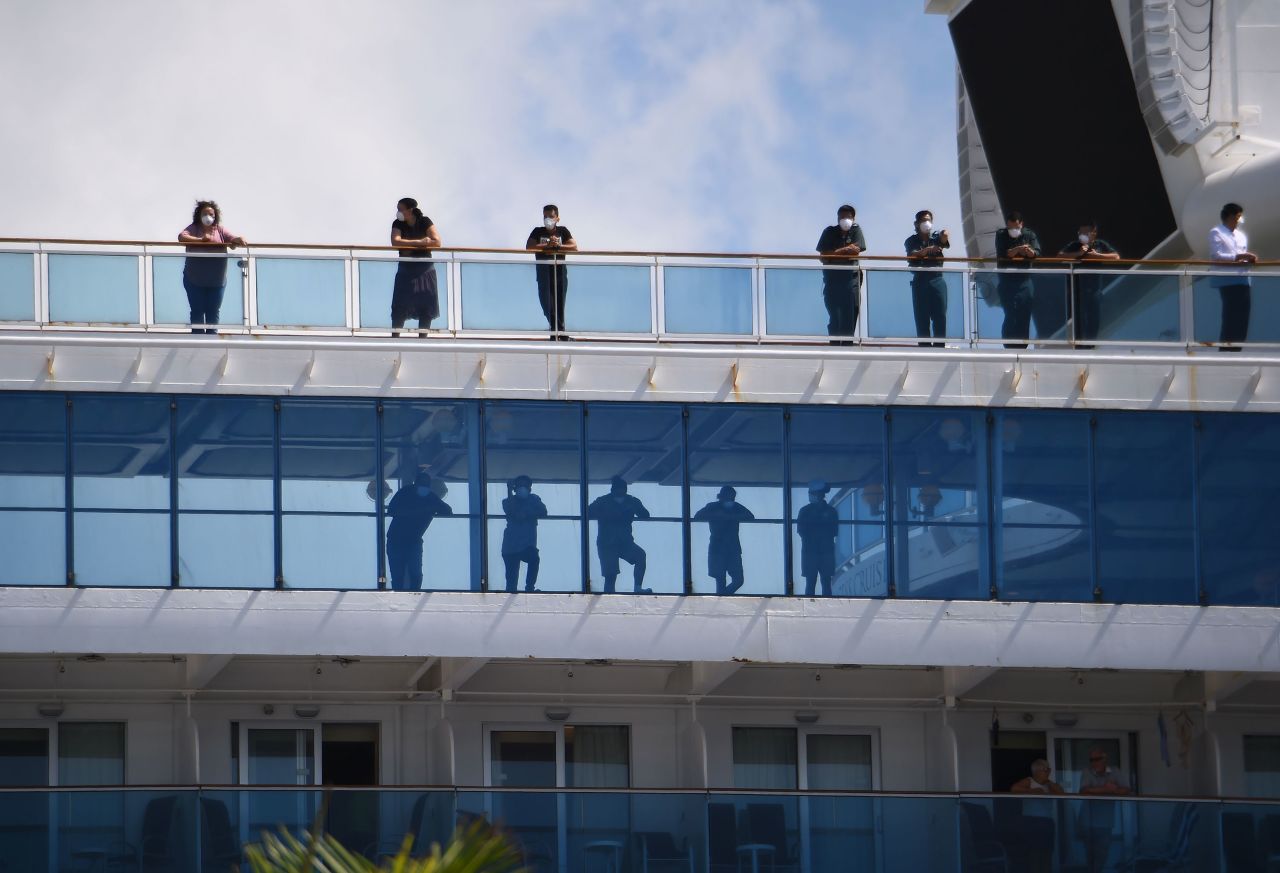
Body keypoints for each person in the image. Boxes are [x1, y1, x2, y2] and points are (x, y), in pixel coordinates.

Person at [177, 200, 246, 335]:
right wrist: (200, 240)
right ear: (199, 215)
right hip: (194, 279)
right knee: (197, 309)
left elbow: (231, 238)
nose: (209, 217)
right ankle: (197, 338)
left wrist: (238, 239)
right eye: (205, 213)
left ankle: (211, 339)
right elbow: (181, 237)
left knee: (213, 310)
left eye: (211, 214)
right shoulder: (194, 228)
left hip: (216, 281)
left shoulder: (219, 230)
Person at [384, 471, 453, 591]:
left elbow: (447, 511)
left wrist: (430, 506)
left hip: (413, 541)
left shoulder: (430, 497)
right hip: (396, 540)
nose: (423, 488)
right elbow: (391, 510)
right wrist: (417, 511)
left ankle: (414, 596)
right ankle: (399, 596)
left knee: (415, 574)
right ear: (415, 484)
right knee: (398, 575)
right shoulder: (406, 492)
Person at [586, 477, 652, 594]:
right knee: (610, 574)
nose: (620, 491)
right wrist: (606, 514)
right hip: (607, 543)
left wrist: (632, 509)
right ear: (613, 489)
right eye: (618, 488)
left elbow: (645, 515)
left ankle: (637, 588)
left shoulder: (631, 501)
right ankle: (609, 596)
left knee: (640, 556)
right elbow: (587, 512)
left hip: (624, 542)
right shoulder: (603, 501)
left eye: (622, 489)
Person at [1059, 222, 1120, 344]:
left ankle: (1091, 345)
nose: (1082, 235)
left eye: (1085, 233)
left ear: (1093, 233)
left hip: (1095, 290)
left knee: (1094, 320)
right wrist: (1079, 254)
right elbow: (1059, 256)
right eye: (1080, 233)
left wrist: (1097, 256)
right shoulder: (1075, 245)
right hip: (1078, 290)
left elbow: (1116, 257)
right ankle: (1080, 346)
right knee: (1079, 321)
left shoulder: (1100, 244)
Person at [390, 197, 442, 337]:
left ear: (410, 210)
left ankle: (422, 340)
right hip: (406, 269)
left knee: (426, 303)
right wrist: (421, 242)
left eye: (401, 209)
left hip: (425, 269)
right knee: (400, 303)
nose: (398, 212)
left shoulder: (424, 221)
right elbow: (396, 242)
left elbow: (436, 242)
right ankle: (395, 339)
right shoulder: (398, 223)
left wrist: (410, 243)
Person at [816, 205, 867, 343]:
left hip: (851, 280)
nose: (845, 219)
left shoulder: (856, 231)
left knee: (851, 312)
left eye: (848, 217)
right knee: (835, 315)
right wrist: (844, 250)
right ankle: (834, 344)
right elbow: (823, 256)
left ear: (853, 218)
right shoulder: (829, 232)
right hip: (833, 281)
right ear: (838, 218)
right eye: (842, 217)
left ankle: (847, 344)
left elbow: (856, 250)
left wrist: (834, 254)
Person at [1209, 202, 1258, 349]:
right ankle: (1226, 351)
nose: (1239, 220)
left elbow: (1241, 255)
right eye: (1238, 217)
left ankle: (1237, 349)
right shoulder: (1216, 232)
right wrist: (1238, 256)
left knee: (1243, 318)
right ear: (1230, 217)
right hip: (1227, 280)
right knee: (1231, 317)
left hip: (1243, 279)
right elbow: (1217, 256)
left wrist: (1249, 259)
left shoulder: (1241, 236)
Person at [526, 205, 577, 340]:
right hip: (544, 273)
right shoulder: (537, 232)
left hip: (560, 273)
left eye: (550, 216)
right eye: (545, 216)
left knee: (559, 305)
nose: (547, 219)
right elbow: (529, 247)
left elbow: (574, 246)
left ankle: (557, 335)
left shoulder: (563, 231)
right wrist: (546, 245)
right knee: (547, 304)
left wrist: (558, 246)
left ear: (557, 218)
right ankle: (559, 333)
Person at [693, 486, 755, 594]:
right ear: (722, 496)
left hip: (731, 548)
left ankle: (722, 597)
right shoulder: (713, 506)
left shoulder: (735, 507)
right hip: (718, 548)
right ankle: (722, 598)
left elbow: (750, 516)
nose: (731, 498)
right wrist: (718, 515)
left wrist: (731, 516)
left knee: (738, 580)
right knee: (721, 578)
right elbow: (698, 516)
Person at [993, 210, 1042, 348]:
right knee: (1010, 313)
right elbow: (1003, 253)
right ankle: (1009, 344)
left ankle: (1022, 346)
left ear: (1021, 224)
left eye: (1016, 227)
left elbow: (1036, 253)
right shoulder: (1001, 234)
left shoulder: (1029, 234)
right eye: (1010, 227)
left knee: (1024, 313)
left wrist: (1029, 252)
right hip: (1007, 281)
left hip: (1024, 281)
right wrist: (1018, 249)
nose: (1013, 230)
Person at [1077, 747, 1130, 873]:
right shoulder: (1087, 771)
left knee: (1102, 851)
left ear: (1104, 759)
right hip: (1087, 819)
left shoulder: (1115, 771)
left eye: (1097, 759)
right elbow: (1083, 791)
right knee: (1089, 852)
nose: (1094, 762)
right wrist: (1108, 789)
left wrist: (1098, 790)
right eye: (1091, 760)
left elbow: (1126, 790)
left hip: (1105, 821)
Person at [904, 210, 951, 346]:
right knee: (921, 317)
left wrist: (944, 235)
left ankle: (939, 347)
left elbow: (944, 239)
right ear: (917, 223)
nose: (926, 223)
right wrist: (925, 251)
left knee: (940, 316)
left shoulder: (934, 237)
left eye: (929, 220)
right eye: (924, 220)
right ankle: (924, 348)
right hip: (920, 280)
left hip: (937, 279)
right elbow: (912, 255)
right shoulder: (911, 240)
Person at [1010, 760, 1064, 873]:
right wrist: (1033, 791)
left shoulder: (1049, 784)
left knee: (1047, 853)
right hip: (1031, 822)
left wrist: (1048, 783)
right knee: (1034, 854)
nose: (1049, 772)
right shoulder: (1029, 781)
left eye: (1049, 769)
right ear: (1037, 771)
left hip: (1047, 823)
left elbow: (1062, 794)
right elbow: (1014, 789)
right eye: (1046, 769)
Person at [501, 475, 546, 592]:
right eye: (520, 486)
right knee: (511, 581)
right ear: (515, 489)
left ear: (530, 489)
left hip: (527, 545)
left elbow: (543, 512)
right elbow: (511, 511)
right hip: (511, 546)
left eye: (525, 486)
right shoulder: (507, 501)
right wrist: (508, 490)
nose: (523, 488)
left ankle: (530, 588)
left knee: (534, 559)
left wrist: (527, 514)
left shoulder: (534, 500)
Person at [795, 480, 838, 596]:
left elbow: (834, 531)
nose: (812, 496)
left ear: (819, 495)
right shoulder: (829, 511)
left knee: (824, 581)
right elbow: (801, 531)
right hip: (814, 551)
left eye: (813, 494)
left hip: (820, 551)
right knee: (812, 581)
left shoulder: (807, 511)